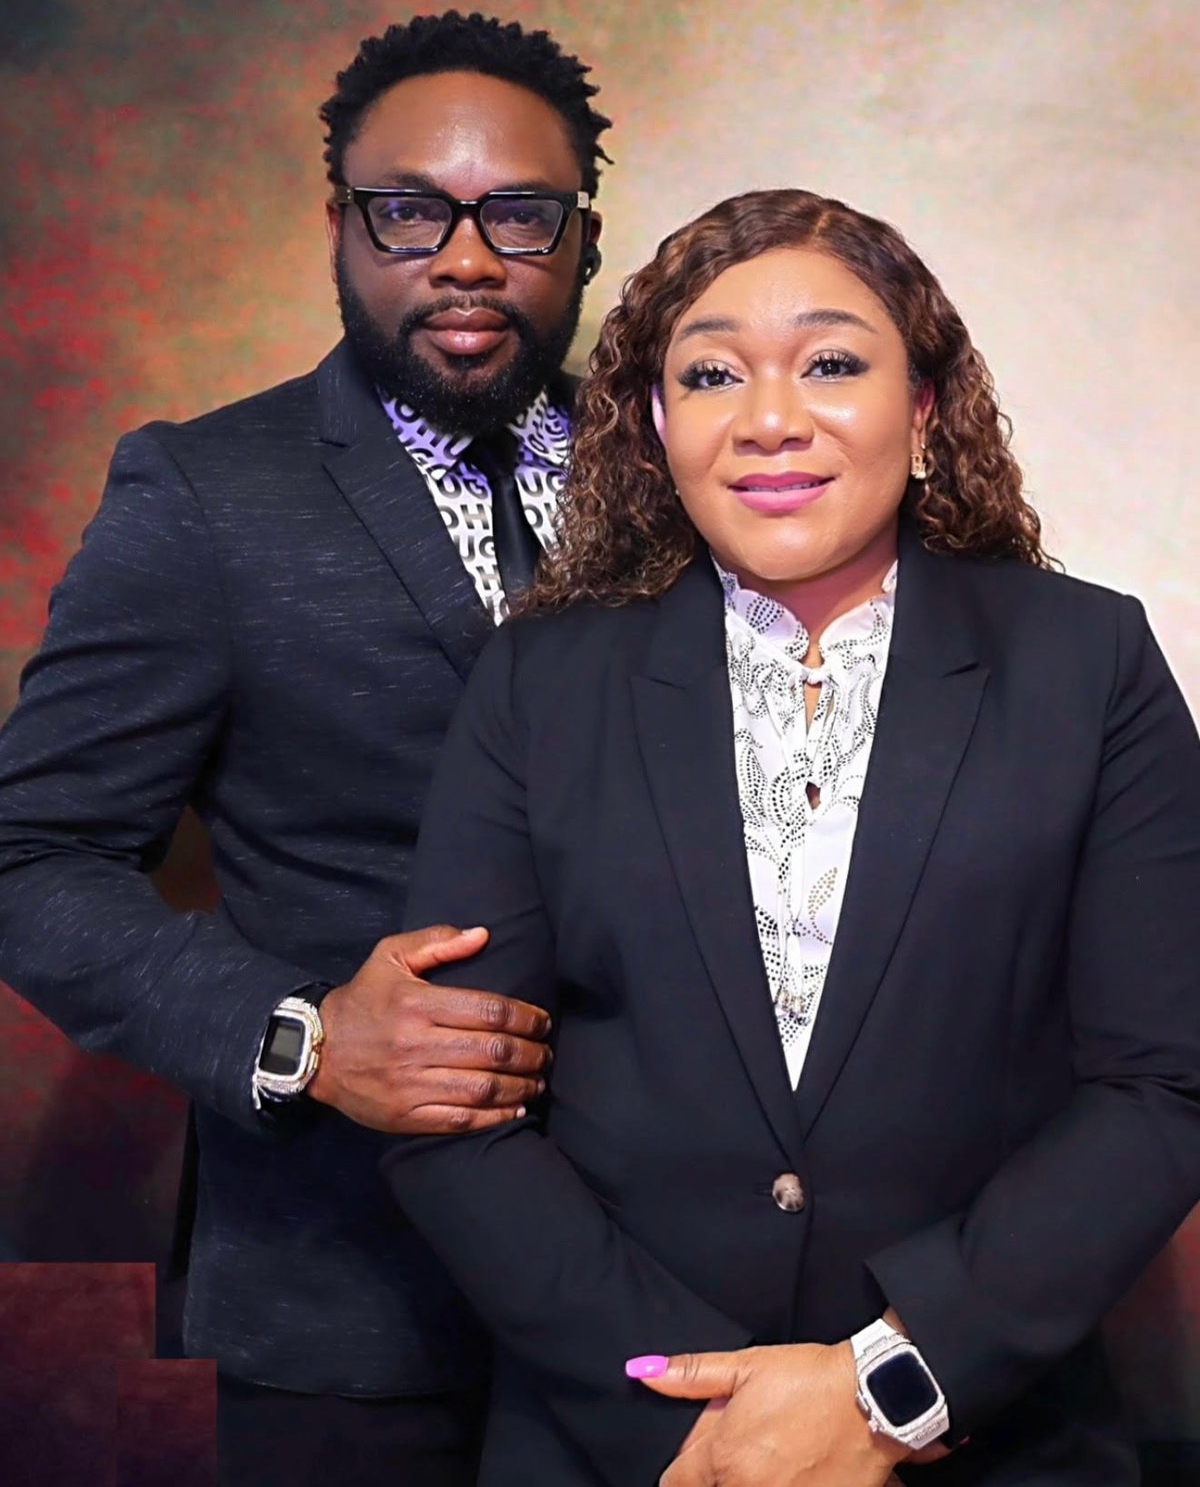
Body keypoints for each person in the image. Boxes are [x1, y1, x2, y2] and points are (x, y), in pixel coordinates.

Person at [380, 188, 1200, 1486]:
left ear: (923, 410)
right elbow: (448, 1101)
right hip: (623, 1445)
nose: (771, 417)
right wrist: (694, 1419)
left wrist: (889, 1389)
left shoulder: (1088, 663)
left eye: (831, 363)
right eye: (712, 374)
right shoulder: (538, 683)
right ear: (656, 425)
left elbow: (1163, 1085)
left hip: (993, 1436)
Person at [0, 10, 609, 1487]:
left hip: (669, 1293)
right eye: (409, 210)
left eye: (520, 214)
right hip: (349, 1309)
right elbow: (30, 858)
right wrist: (307, 1038)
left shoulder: (690, 468)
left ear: (583, 240)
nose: (466, 260)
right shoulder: (204, 494)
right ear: (337, 224)